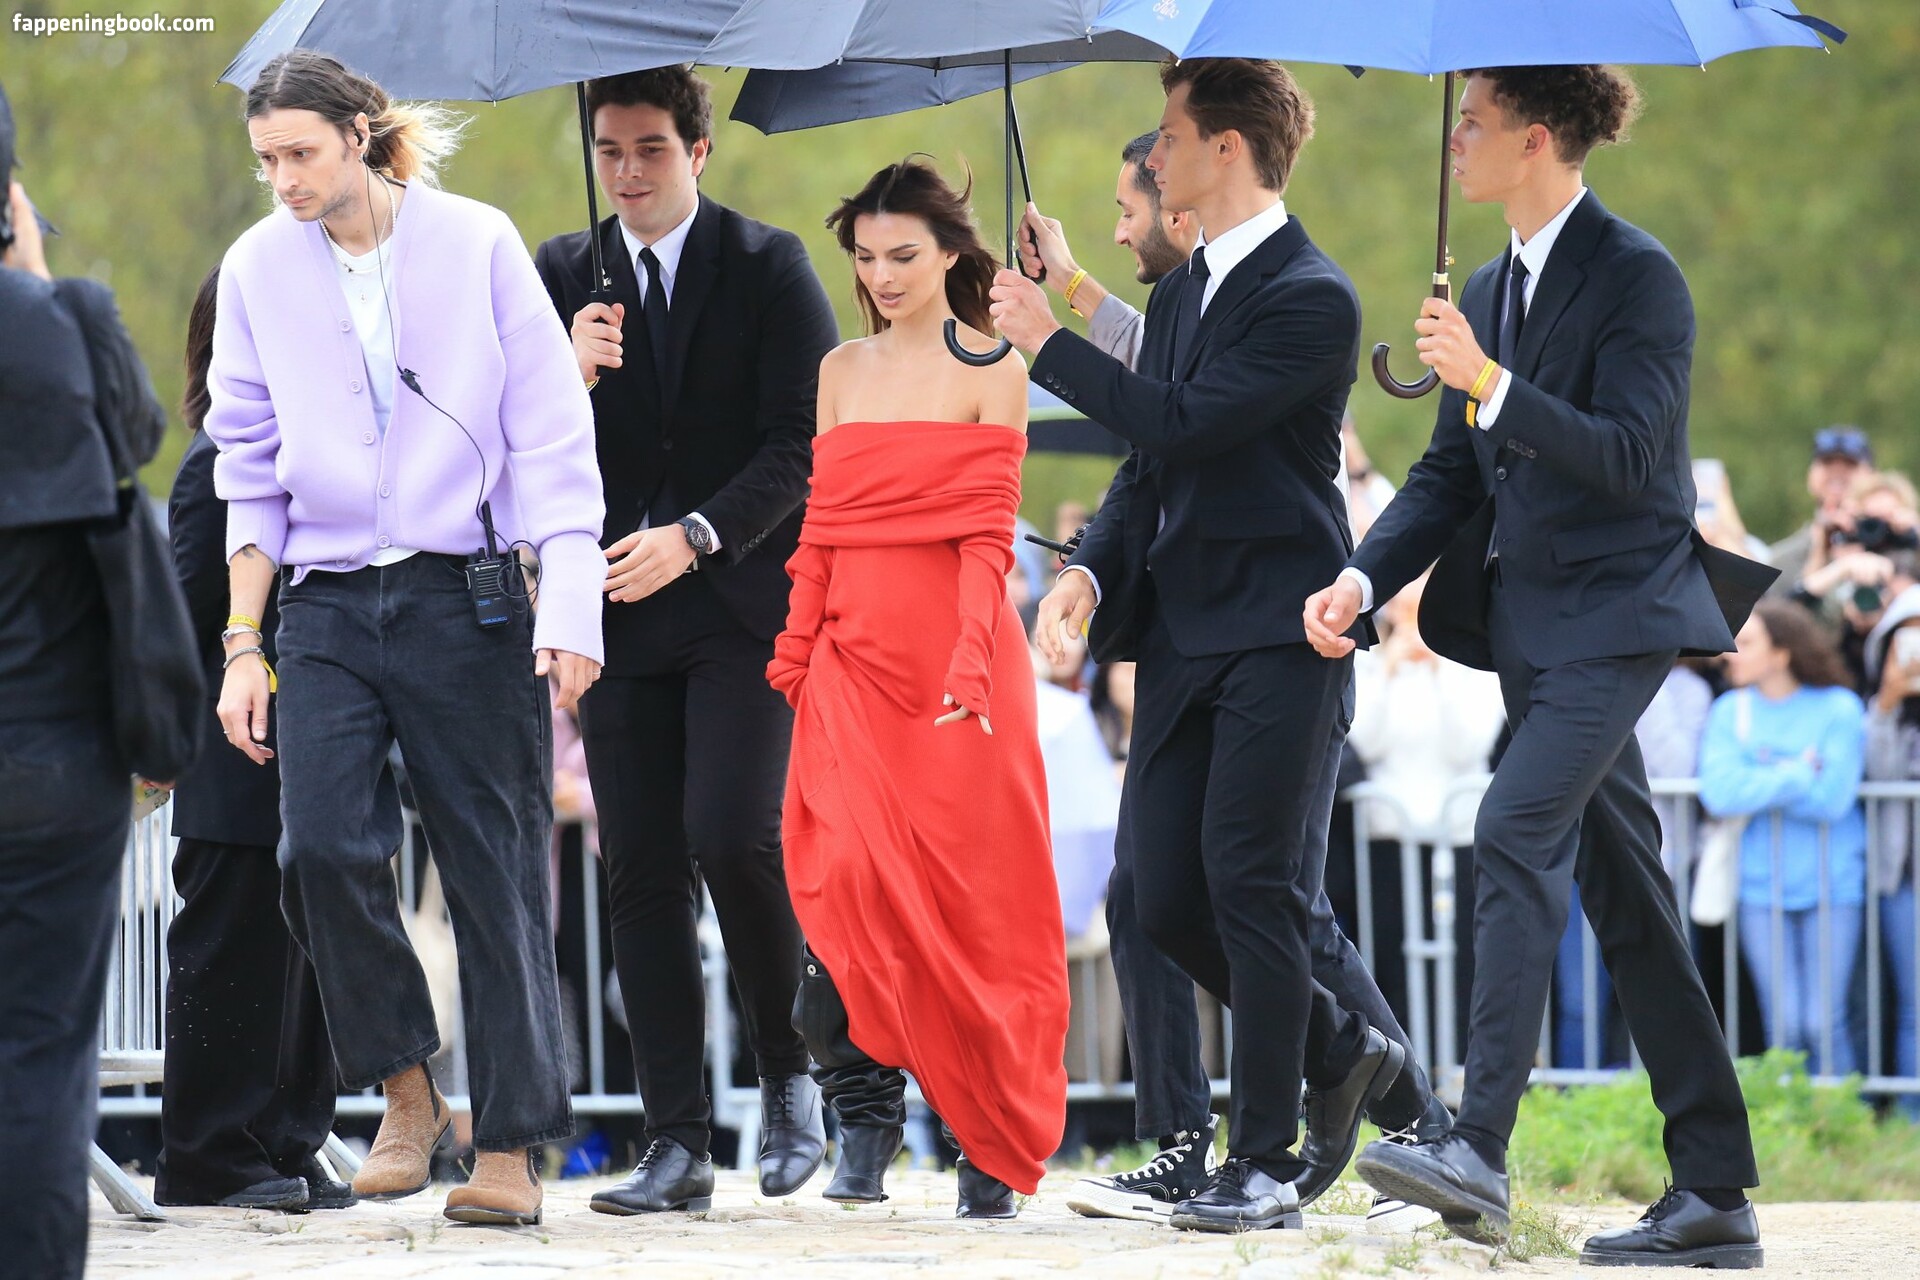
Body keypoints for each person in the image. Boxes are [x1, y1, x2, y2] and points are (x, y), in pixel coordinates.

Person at [1304, 66, 1773, 1266]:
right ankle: (1715, 1188)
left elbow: (1631, 455)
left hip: (1621, 618)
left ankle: (1476, 1147)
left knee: (1512, 827)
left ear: (1538, 138)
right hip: (1534, 630)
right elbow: (1448, 476)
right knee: (1630, 898)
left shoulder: (1639, 275)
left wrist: (1490, 381)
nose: (1455, 139)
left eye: (1475, 122)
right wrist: (1361, 577)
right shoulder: (1490, 287)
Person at [997, 59, 1405, 1234]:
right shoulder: (1179, 297)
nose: (1156, 154)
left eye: (1171, 136)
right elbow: (1148, 466)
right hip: (1181, 635)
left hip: (1284, 630)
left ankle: (1263, 1159)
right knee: (1160, 895)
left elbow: (1189, 420)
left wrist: (1048, 339)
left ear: (1227, 149)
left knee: (1253, 887)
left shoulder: (1313, 295)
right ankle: (1341, 1049)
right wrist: (1085, 569)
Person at [207, 51, 605, 1227]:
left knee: (495, 870)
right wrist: (243, 642)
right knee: (318, 848)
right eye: (265, 159)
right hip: (325, 602)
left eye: (300, 153)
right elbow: (248, 471)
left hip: (466, 593)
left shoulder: (477, 242)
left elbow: (552, 435)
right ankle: (404, 1085)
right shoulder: (254, 268)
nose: (282, 178)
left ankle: (511, 1148)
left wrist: (571, 603)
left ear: (360, 134)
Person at [532, 66, 837, 1212]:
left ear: (698, 150)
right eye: (610, 150)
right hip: (613, 614)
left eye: (651, 148)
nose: (628, 172)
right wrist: (564, 374)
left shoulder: (769, 266)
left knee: (732, 832)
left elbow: (800, 443)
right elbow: (512, 443)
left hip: (740, 603)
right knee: (642, 865)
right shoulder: (561, 275)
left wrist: (698, 533)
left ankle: (790, 1067)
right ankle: (676, 1141)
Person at [769, 157, 1070, 1218]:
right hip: (850, 662)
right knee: (842, 881)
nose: (881, 275)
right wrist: (798, 644)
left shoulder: (997, 365)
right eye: (864, 257)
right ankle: (865, 1116)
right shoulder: (840, 369)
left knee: (978, 908)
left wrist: (973, 659)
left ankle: (990, 1136)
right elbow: (822, 527)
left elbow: (990, 537)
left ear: (950, 254)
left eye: (903, 255)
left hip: (960, 671)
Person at [0, 87, 185, 1275]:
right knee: (39, 1047)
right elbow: (138, 434)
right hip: (53, 757)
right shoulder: (65, 319)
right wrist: (31, 274)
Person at [157, 266, 352, 1212]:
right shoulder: (216, 468)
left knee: (298, 968)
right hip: (232, 760)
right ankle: (207, 1155)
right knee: (231, 961)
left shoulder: (296, 457)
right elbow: (183, 618)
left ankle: (284, 1139)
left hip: (302, 753)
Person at [1701, 603, 1867, 1077]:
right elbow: (1719, 793)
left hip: (1833, 882)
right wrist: (1796, 772)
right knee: (1785, 1022)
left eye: (1746, 643)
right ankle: (1791, 1114)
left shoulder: (1839, 708)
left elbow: (1832, 800)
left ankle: (1839, 1114)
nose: (1730, 653)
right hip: (1758, 885)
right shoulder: (1730, 711)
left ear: (1782, 652)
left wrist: (1758, 777)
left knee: (1823, 1021)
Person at [1863, 575, 1920, 1120]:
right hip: (1902, 876)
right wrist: (1888, 700)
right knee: (1913, 1003)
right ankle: (1908, 1119)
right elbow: (1876, 770)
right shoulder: (1884, 711)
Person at [1768, 426, 1876, 599]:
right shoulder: (1781, 560)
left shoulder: (1899, 540)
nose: (1837, 472)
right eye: (1827, 462)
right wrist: (1819, 552)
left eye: (1850, 464)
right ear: (1810, 475)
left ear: (1872, 475)